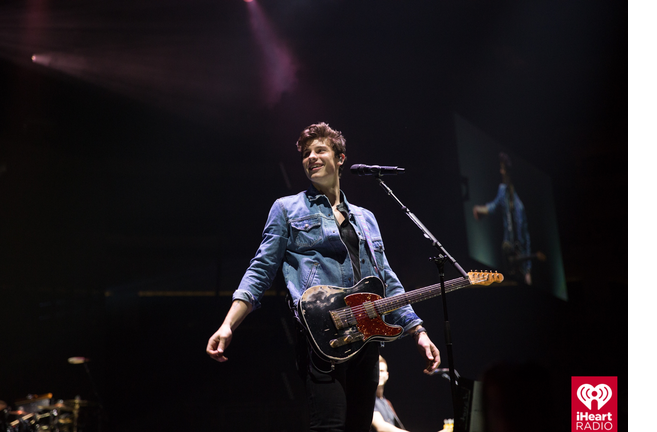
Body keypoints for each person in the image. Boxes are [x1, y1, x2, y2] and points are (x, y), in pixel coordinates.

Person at [206, 123, 441, 432]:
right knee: (329, 426)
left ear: (340, 158)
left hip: (366, 336)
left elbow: (386, 278)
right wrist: (227, 324)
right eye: (306, 154)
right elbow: (260, 270)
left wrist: (418, 331)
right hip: (322, 337)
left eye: (320, 150)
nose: (311, 158)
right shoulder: (287, 209)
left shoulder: (365, 218)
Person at [472, 152, 533, 285]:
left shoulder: (519, 204)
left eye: (502, 169)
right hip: (508, 253)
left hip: (519, 257)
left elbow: (525, 236)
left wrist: (528, 270)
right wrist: (480, 209)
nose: (500, 171)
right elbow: (493, 207)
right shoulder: (502, 190)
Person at [371, 355, 409, 432]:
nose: (379, 374)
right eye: (376, 371)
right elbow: (381, 427)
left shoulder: (387, 402)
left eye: (381, 371)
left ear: (387, 375)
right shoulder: (369, 400)